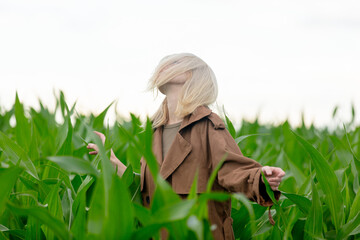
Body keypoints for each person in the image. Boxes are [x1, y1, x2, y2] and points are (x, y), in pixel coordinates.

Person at [87, 53, 285, 240]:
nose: (163, 66)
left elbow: (233, 170)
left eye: (174, 64)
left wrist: (262, 178)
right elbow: (152, 189)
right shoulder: (155, 132)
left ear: (192, 75)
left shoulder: (208, 126)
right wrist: (112, 162)